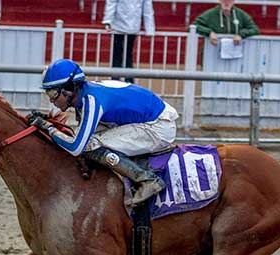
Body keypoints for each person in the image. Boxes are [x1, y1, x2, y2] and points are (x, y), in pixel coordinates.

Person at [28, 59, 179, 206]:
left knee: (90, 145)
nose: (51, 100)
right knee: (91, 141)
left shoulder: (92, 101)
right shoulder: (85, 95)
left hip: (158, 127)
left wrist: (49, 128)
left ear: (69, 89)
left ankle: (147, 180)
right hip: (150, 117)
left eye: (53, 94)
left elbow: (77, 147)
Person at [102, 0, 154, 84]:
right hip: (119, 27)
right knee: (119, 55)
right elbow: (111, 4)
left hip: (131, 27)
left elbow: (147, 9)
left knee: (125, 55)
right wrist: (108, 21)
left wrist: (150, 29)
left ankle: (124, 79)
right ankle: (117, 80)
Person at [193, 0, 260, 47]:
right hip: (212, 52)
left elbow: (255, 29)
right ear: (219, 1)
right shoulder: (210, 14)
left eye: (229, 0)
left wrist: (241, 34)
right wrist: (209, 33)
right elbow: (194, 26)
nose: (226, 3)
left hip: (234, 52)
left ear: (233, 1)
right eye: (224, 0)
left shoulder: (241, 14)